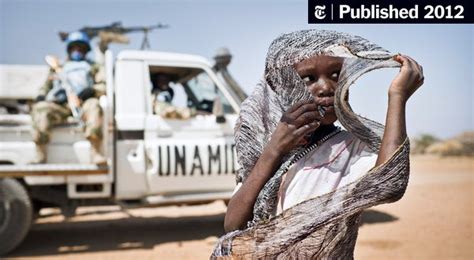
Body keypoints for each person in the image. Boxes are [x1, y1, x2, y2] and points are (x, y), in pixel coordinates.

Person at [212, 29, 423, 258]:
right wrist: (274, 149)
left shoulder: (350, 148)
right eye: (309, 79)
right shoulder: (265, 145)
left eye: (335, 74)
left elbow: (390, 183)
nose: (326, 88)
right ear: (284, 85)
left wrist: (398, 97)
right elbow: (233, 223)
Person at [31, 31, 107, 165]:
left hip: (82, 103)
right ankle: (40, 154)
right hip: (61, 105)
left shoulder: (93, 67)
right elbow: (45, 86)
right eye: (74, 48)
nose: (77, 51)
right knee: (41, 109)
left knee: (94, 105)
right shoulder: (59, 68)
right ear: (69, 49)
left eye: (81, 48)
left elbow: (102, 86)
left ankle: (96, 152)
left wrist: (91, 91)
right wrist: (41, 96)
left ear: (85, 51)